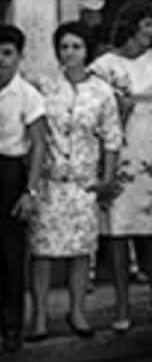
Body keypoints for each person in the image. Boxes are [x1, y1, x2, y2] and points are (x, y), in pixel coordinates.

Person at [28, 23, 122, 341]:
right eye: (64, 46)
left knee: (81, 250)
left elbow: (111, 138)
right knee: (42, 250)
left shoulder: (102, 92)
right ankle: (39, 316)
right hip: (50, 181)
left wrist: (106, 180)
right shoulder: (44, 86)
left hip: (83, 181)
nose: (69, 53)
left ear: (88, 51)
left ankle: (78, 310)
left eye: (76, 47)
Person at [91, 0, 152, 331]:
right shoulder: (103, 65)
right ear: (131, 26)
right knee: (117, 229)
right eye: (146, 26)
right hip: (118, 150)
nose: (151, 33)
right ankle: (122, 305)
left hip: (151, 148)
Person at [0, 25, 46, 356]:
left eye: (7, 53)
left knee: (10, 256)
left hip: (10, 174)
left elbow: (39, 145)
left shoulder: (27, 94)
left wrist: (30, 191)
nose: (0, 60)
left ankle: (12, 326)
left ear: (19, 56)